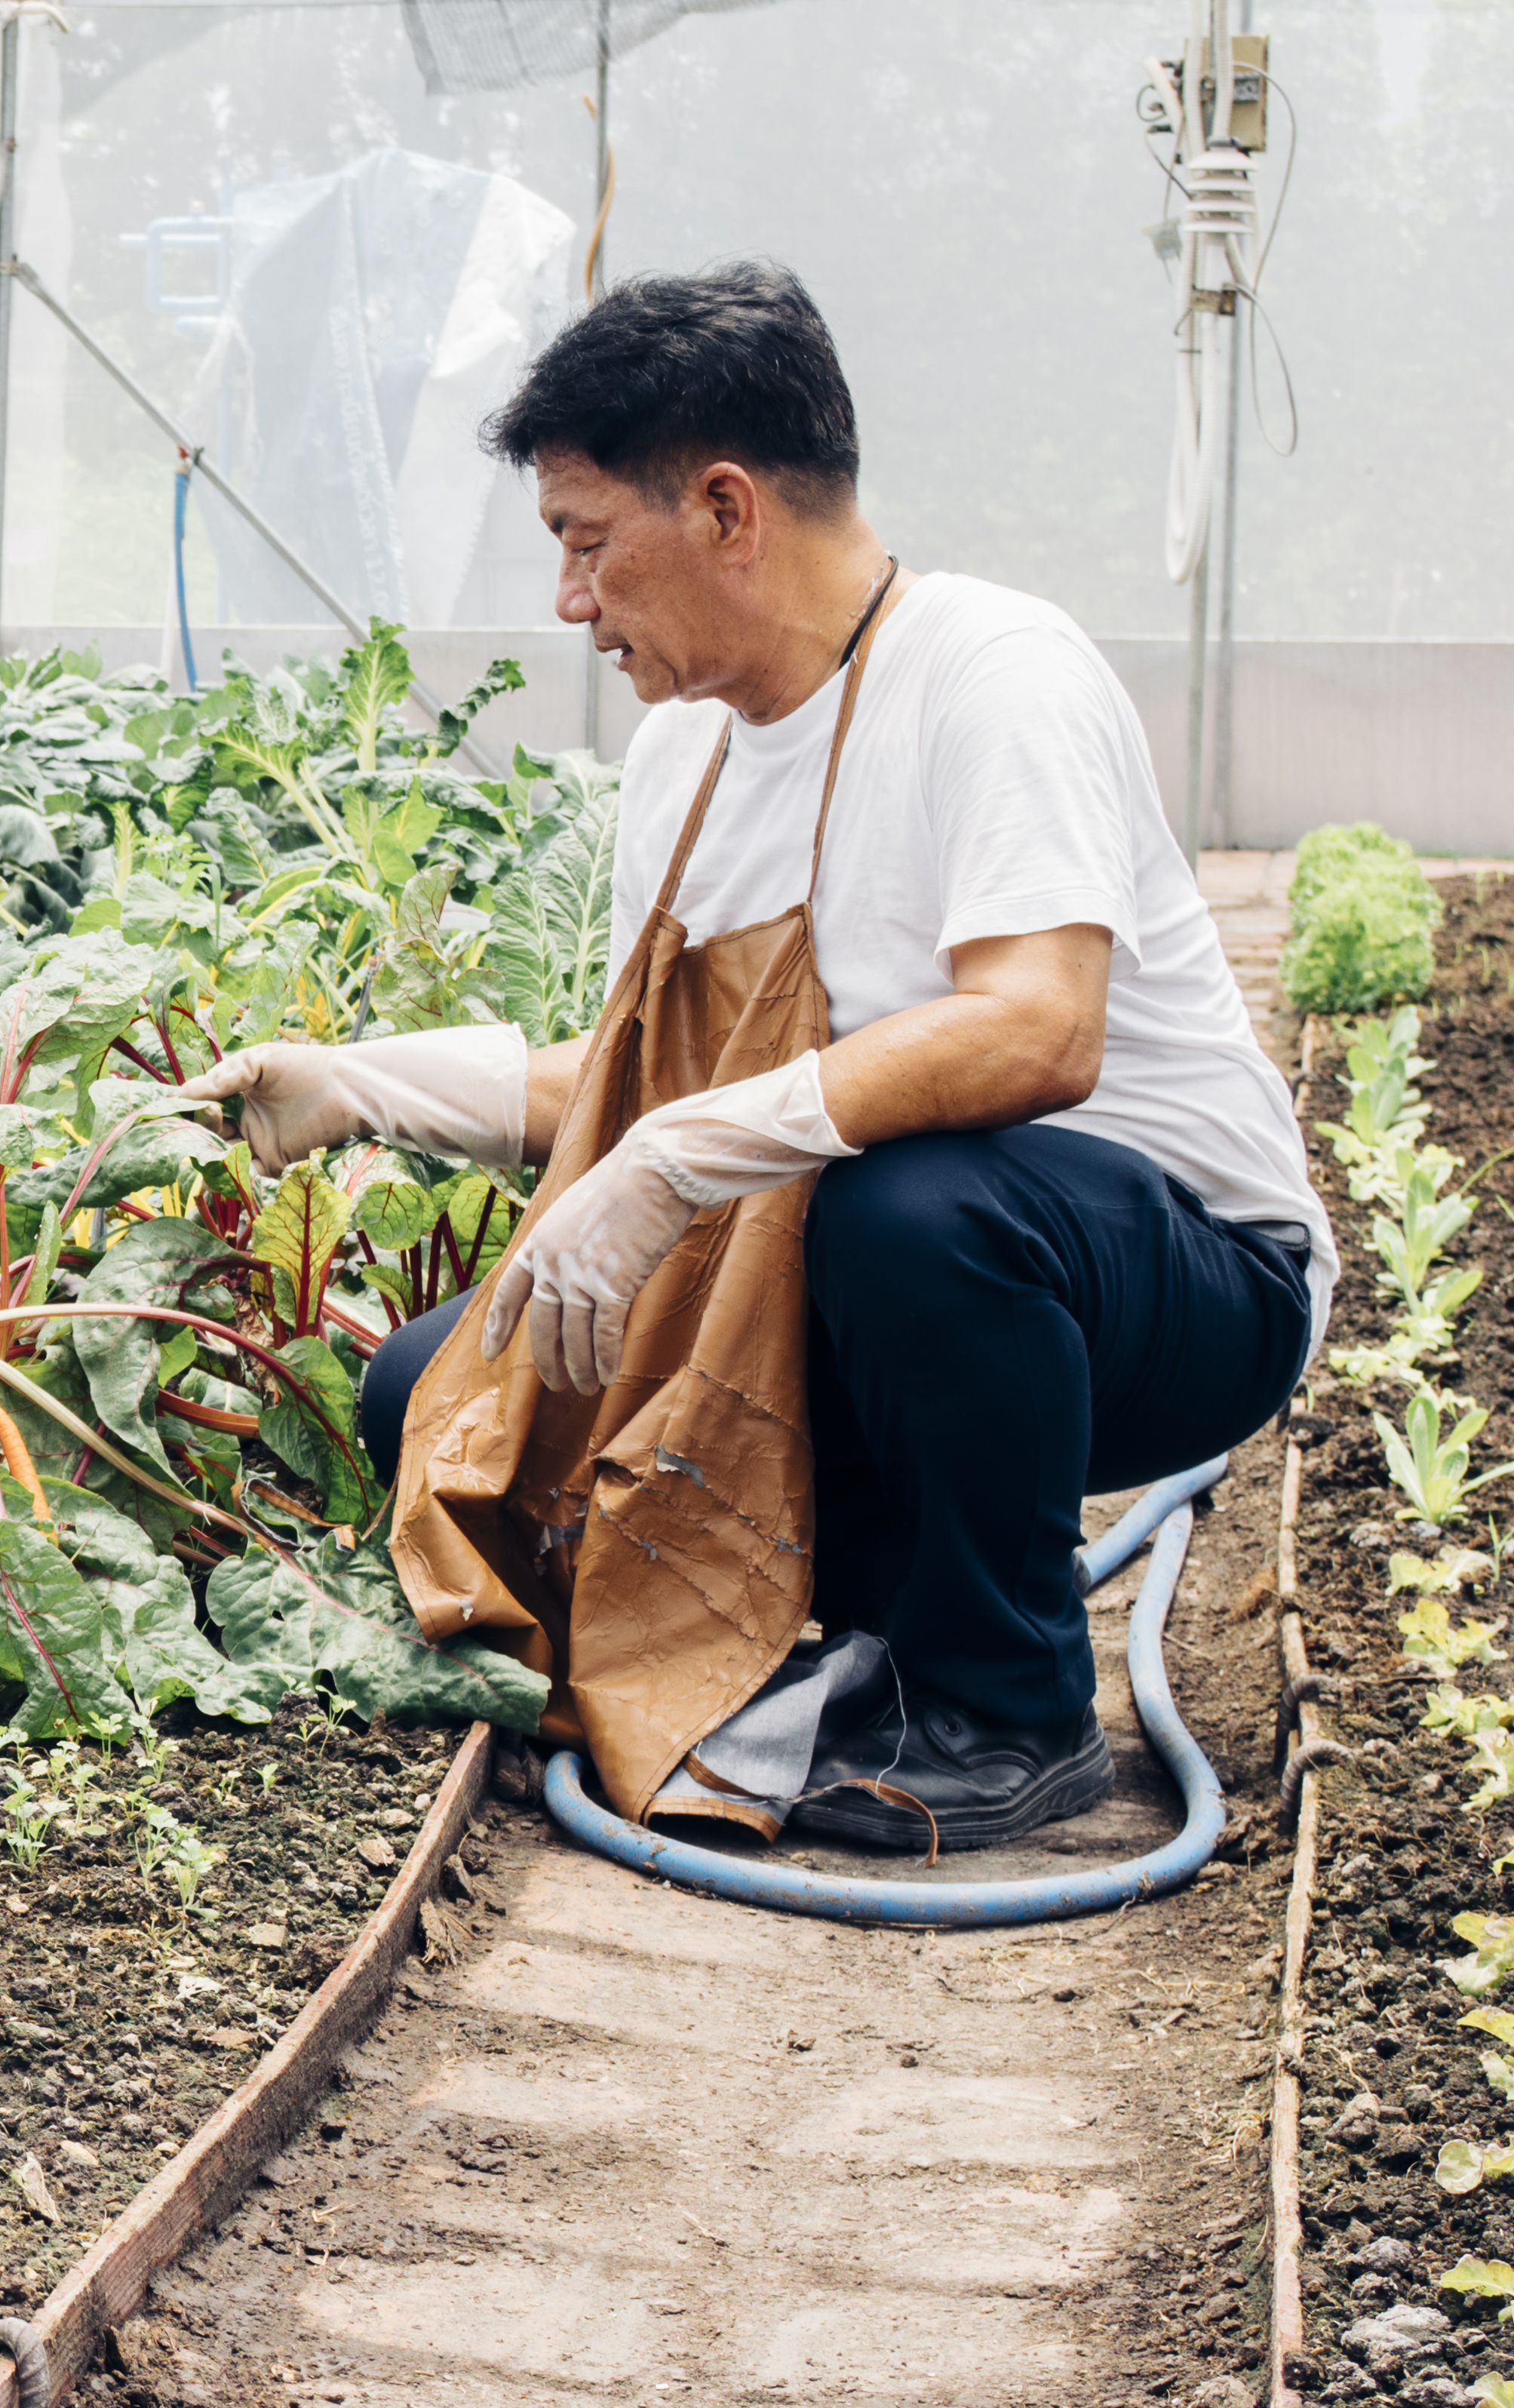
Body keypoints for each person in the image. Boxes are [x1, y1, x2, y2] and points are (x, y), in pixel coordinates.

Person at [198, 261, 1325, 1854]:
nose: (571, 604)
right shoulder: (688, 751)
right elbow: (635, 1085)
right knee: (437, 1388)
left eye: (587, 544)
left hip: (1167, 1286)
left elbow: (1038, 1030)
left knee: (911, 1212)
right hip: (854, 1273)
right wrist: (360, 1081)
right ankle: (857, 1632)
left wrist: (672, 1164)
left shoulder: (991, 675)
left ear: (726, 507)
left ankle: (1010, 1708)